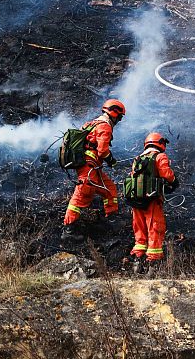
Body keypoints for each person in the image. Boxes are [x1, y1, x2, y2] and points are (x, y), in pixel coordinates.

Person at [63, 98, 126, 235]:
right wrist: (111, 160)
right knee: (83, 193)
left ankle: (112, 218)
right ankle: (69, 230)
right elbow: (102, 151)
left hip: (93, 166)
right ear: (114, 113)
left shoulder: (91, 123)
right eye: (120, 117)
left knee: (109, 188)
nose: (119, 120)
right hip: (88, 166)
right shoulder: (105, 126)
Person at [127, 131, 178, 270]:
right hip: (152, 199)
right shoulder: (159, 156)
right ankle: (153, 261)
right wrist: (174, 181)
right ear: (160, 144)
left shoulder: (138, 158)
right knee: (155, 227)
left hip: (136, 199)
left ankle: (138, 258)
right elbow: (166, 174)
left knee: (139, 228)